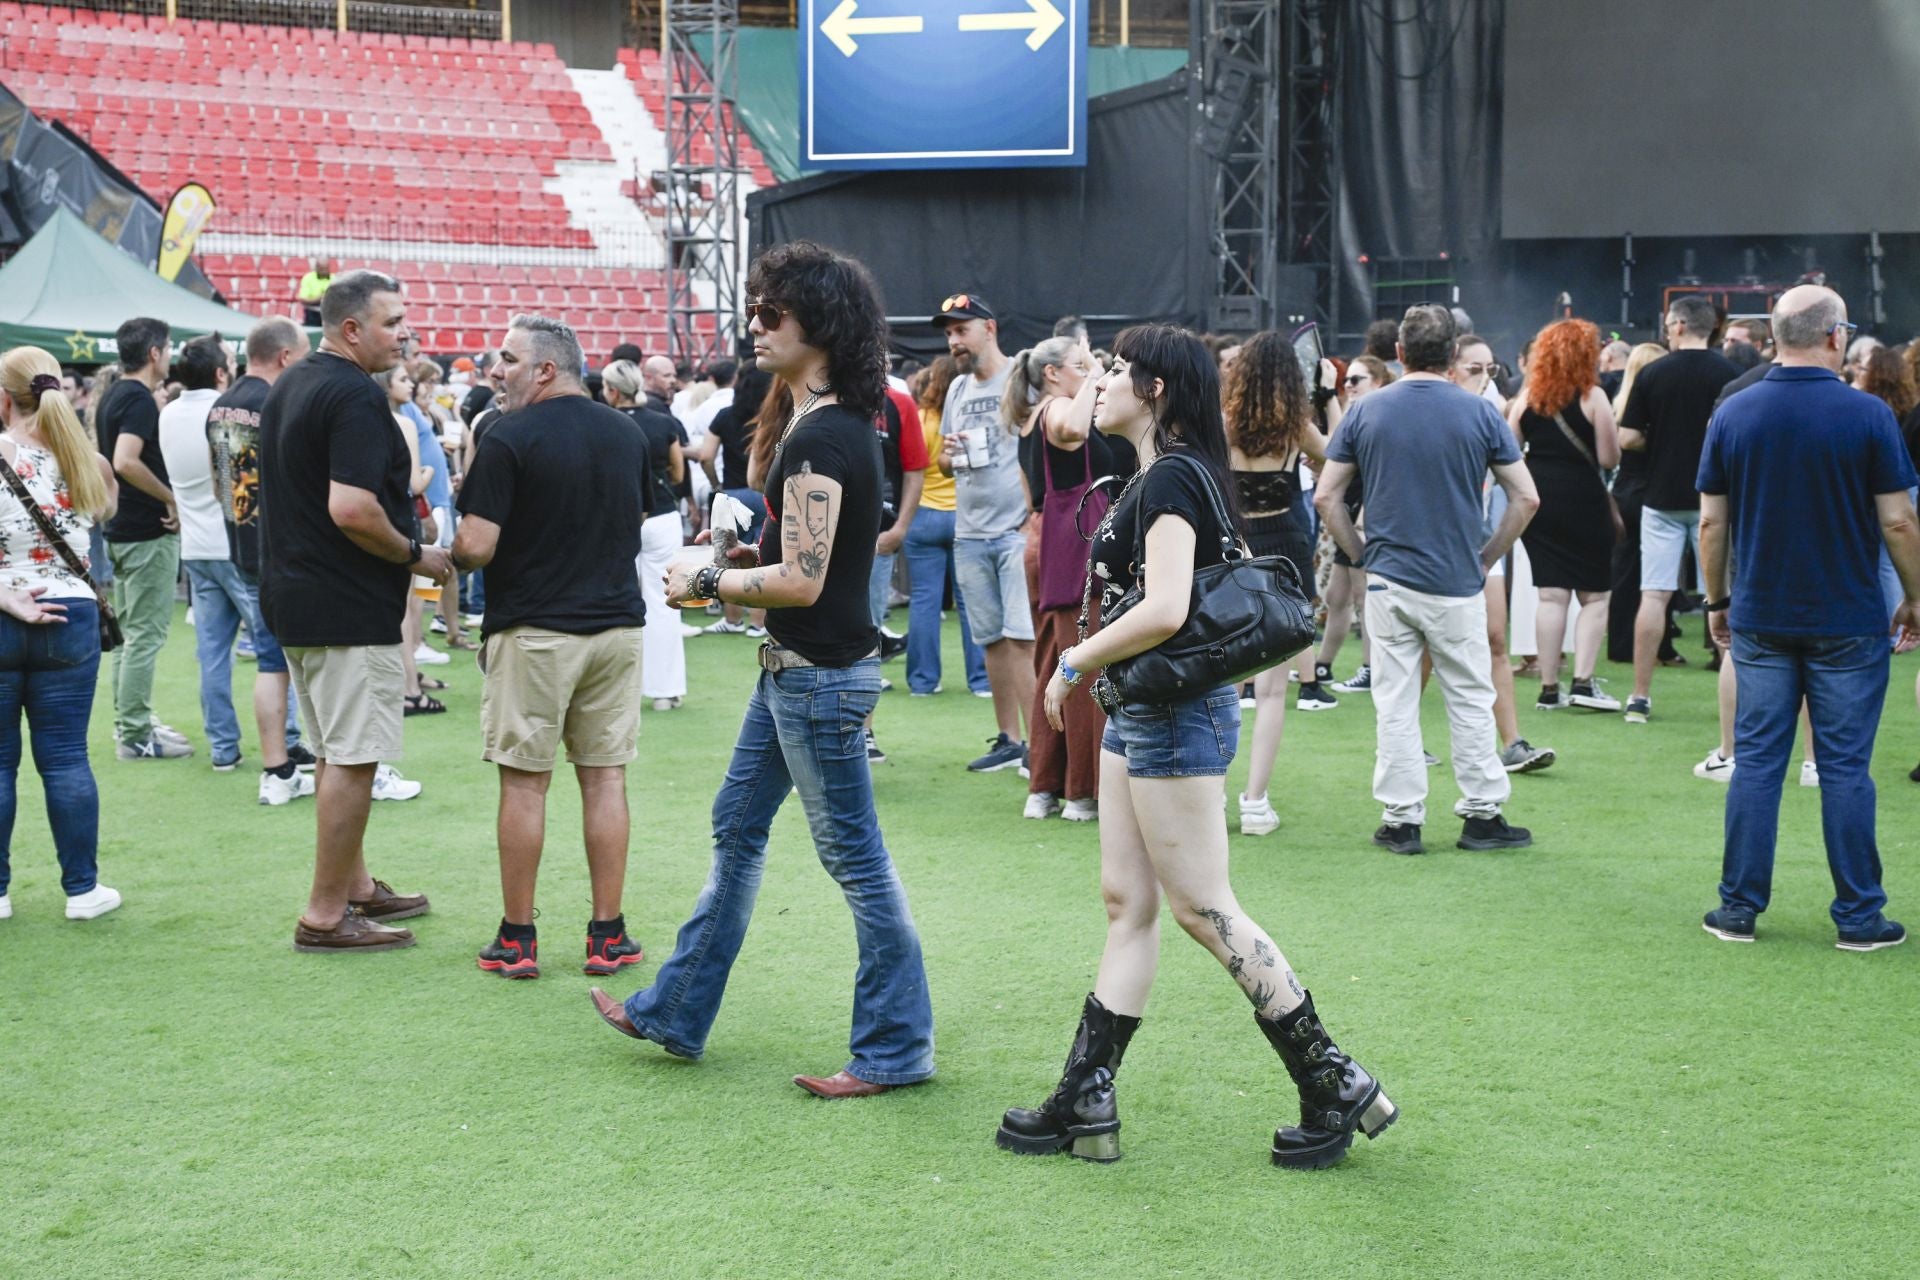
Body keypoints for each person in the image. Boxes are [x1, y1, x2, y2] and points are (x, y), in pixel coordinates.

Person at [1006, 323, 1397, 1170]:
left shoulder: (1173, 479)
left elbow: (1168, 608)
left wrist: (1073, 661)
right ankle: (1084, 1097)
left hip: (1172, 710)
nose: (1099, 381)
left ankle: (1334, 1078)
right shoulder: (1153, 471)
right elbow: (1067, 431)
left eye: (1114, 370)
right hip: (1142, 705)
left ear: (1154, 390)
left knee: (1205, 909)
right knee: (1128, 903)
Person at [590, 241, 934, 1099]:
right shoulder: (833, 425)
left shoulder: (823, 436)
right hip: (802, 671)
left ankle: (895, 1048)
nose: (755, 325)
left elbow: (804, 579)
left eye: (770, 311)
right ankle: (674, 1009)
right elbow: (809, 561)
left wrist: (707, 578)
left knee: (854, 862)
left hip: (816, 677)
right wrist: (742, 555)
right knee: (737, 830)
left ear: (817, 324)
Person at [1697, 285, 1919, 952]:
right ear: (1835, 336)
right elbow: (1899, 520)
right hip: (1849, 616)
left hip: (1760, 613)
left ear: (1774, 333)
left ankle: (1737, 909)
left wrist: (1715, 601)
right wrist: (1915, 595)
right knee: (1846, 768)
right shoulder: (1869, 416)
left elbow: (1712, 522)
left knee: (1758, 764)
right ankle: (1858, 917)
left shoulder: (1734, 413)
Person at [454, 316, 650, 979]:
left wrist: (441, 554)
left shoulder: (506, 435)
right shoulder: (626, 432)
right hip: (616, 628)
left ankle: (518, 937)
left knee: (525, 785)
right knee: (605, 779)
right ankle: (608, 934)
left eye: (506, 359)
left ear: (545, 368)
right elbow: (638, 521)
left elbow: (474, 547)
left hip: (536, 632)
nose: (493, 369)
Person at [261, 270, 447, 954]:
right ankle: (324, 911)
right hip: (344, 602)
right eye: (393, 322)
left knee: (340, 750)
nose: (404, 334)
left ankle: (356, 886)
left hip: (298, 595)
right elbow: (352, 508)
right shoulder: (353, 397)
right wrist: (414, 554)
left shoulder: (294, 382)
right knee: (355, 757)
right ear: (351, 329)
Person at [1315, 305, 1540, 855]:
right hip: (1457, 579)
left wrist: (1360, 554)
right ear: (1453, 356)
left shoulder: (1366, 411)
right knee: (1469, 697)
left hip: (1390, 579)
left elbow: (1326, 495)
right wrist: (1486, 557)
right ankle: (1483, 815)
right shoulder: (1481, 413)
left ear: (1399, 352)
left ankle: (1402, 820)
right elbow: (1526, 497)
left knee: (1395, 701)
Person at [0, 346, 122, 922]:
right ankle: (82, 890)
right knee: (67, 757)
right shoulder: (88, 461)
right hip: (70, 614)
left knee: (0, 763)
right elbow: (98, 521)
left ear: (5, 398)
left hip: (5, 611)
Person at [1224, 332, 1330, 836]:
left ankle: (1207, 792)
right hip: (1286, 546)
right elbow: (1333, 459)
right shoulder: (1296, 428)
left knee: (1220, 675)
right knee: (1271, 690)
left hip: (1236, 546)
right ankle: (1254, 802)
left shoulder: (1224, 426)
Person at [207, 317, 316, 804]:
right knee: (288, 660)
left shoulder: (220, 404)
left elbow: (219, 483)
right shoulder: (278, 401)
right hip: (282, 548)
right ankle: (285, 764)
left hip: (239, 542)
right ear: (286, 357)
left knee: (271, 660)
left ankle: (281, 762)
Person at [1620, 295, 1741, 723]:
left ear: (1675, 325)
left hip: (1662, 497)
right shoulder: (1731, 374)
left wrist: (1661, 441)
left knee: (1654, 594)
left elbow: (1627, 437)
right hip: (1717, 500)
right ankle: (1736, 697)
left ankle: (1639, 695)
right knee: (1723, 596)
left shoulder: (1653, 373)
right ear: (1712, 329)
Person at [1005, 335, 1104, 820]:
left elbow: (1032, 501)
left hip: (1045, 542)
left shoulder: (1027, 419)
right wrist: (1097, 378)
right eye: (1079, 365)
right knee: (1084, 662)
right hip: (1073, 546)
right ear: (1052, 373)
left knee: (1054, 664)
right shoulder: (1055, 410)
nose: (1089, 372)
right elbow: (1075, 430)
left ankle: (1044, 787)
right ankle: (1081, 792)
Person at [935, 293, 1033, 774]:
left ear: (988, 328)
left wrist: (1032, 514)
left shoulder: (1022, 375)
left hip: (1015, 528)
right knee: (991, 638)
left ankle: (1040, 744)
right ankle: (1009, 739)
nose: (954, 340)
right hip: (969, 531)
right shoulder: (956, 390)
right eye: (949, 332)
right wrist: (949, 456)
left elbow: (1044, 446)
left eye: (961, 329)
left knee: (1021, 637)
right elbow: (941, 460)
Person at [1452, 336, 1555, 772]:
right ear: (1450, 367)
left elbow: (1522, 493)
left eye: (1489, 369)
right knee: (1421, 651)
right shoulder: (1442, 410)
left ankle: (1513, 743)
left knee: (1496, 639)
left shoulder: (1490, 414)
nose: (1483, 377)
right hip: (1436, 548)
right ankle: (1405, 741)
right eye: (1474, 368)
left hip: (1477, 542)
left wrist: (1490, 554)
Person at [157, 334, 259, 772]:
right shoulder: (224, 413)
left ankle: (223, 748)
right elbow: (235, 486)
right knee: (275, 653)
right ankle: (290, 740)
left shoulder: (168, 414)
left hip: (195, 549)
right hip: (233, 545)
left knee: (213, 656)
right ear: (221, 372)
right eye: (232, 361)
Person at [1509, 320, 1621, 713]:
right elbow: (1609, 458)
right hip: (1584, 499)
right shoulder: (1594, 397)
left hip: (1540, 499)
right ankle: (1583, 682)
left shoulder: (1527, 398)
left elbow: (1508, 450)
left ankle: (1548, 687)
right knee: (1595, 595)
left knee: (1551, 594)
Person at [98, 316, 190, 761]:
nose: (171, 355)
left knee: (130, 635)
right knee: (144, 636)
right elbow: (125, 461)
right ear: (154, 353)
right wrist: (171, 498)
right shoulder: (136, 399)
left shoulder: (115, 393)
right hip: (145, 532)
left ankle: (131, 719)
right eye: (168, 347)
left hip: (123, 529)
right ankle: (134, 733)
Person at [604, 359, 689, 706]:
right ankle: (664, 692)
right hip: (661, 516)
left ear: (611, 389)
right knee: (663, 601)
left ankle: (610, 690)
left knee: (611, 601)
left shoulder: (605, 425)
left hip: (615, 519)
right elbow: (679, 474)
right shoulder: (663, 423)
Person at [904, 355, 989, 697]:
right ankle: (981, 681)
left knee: (924, 600)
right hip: (964, 517)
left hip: (922, 516)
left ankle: (923, 682)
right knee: (970, 601)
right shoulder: (968, 421)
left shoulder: (919, 419)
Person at [1312, 355, 1394, 703]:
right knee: (1337, 596)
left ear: (1378, 382)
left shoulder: (1378, 413)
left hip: (1366, 514)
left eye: (1357, 380)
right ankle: (1322, 665)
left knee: (1364, 597)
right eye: (1348, 380)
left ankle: (1371, 669)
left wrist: (1330, 397)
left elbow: (1336, 447)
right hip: (1350, 511)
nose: (1349, 385)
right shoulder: (1361, 411)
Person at [296, 257, 332, 328]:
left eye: (326, 268)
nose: (324, 271)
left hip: (329, 314)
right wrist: (319, 298)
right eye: (322, 269)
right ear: (316, 268)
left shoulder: (334, 279)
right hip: (312, 313)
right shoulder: (308, 278)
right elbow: (303, 299)